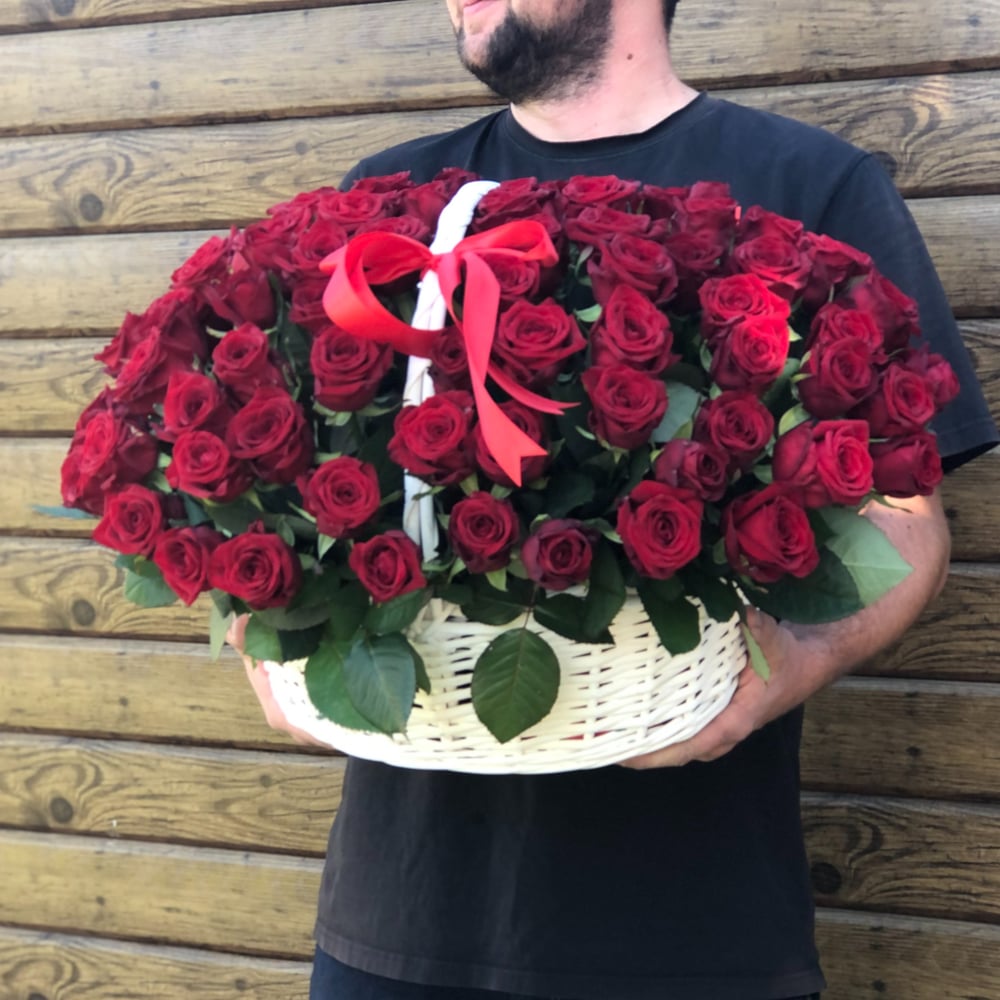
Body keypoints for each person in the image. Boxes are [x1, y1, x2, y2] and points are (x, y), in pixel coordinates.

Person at [234, 2, 999, 997]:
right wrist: (267, 625)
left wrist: (785, 668)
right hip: (400, 920)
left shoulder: (806, 186)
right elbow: (286, 478)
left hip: (689, 929)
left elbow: (907, 524)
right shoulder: (394, 201)